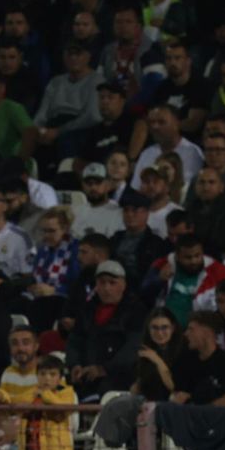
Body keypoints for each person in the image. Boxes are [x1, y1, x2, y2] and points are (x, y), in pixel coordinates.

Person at [65, 260, 144, 399]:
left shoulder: (136, 311)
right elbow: (75, 340)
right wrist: (75, 365)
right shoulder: (87, 309)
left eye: (112, 283)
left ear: (123, 285)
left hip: (119, 378)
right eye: (102, 282)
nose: (107, 288)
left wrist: (105, 369)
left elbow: (133, 347)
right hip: (86, 375)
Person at [171, 311, 225, 406]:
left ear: (206, 332)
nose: (186, 334)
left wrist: (200, 411)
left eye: (191, 329)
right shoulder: (184, 361)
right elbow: (177, 395)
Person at [132, 308, 182, 401]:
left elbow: (173, 386)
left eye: (164, 327)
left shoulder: (183, 351)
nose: (159, 333)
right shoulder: (145, 350)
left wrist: (156, 359)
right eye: (155, 328)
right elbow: (140, 384)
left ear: (173, 328)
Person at [72, 163, 123, 239]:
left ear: (107, 184)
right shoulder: (76, 211)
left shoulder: (118, 213)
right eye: (89, 183)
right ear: (83, 185)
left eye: (98, 182)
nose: (93, 187)